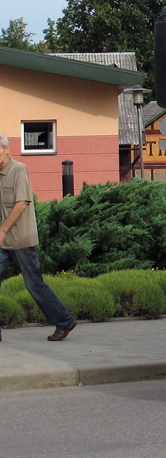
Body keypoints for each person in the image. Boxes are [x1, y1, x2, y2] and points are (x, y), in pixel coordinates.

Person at [0, 134, 76, 342]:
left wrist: (3, 230)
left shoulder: (18, 170)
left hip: (21, 240)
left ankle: (64, 321)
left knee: (34, 284)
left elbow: (21, 203)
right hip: (4, 243)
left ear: (7, 149)